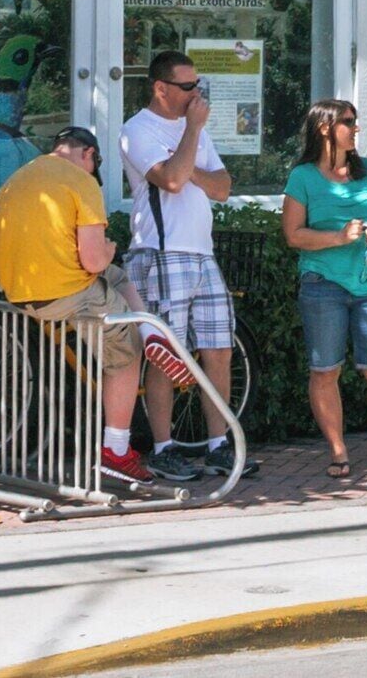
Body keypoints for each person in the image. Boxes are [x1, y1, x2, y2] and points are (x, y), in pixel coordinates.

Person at [0, 125, 153, 489]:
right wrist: (108, 250)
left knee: (116, 275)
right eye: (95, 165)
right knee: (125, 353)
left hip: (17, 291)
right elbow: (93, 261)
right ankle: (116, 451)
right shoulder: (81, 182)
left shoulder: (18, 178)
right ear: (88, 154)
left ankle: (150, 326)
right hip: (66, 293)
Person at [121, 47, 239, 477]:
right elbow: (170, 180)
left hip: (202, 252)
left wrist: (189, 165)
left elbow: (223, 187)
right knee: (166, 353)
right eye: (188, 86)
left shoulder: (196, 128)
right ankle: (163, 445)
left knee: (219, 349)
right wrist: (190, 136)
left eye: (198, 85)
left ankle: (219, 443)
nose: (196, 94)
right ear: (161, 88)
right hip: (162, 251)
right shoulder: (137, 129)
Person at [280, 99, 367, 481]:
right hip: (323, 285)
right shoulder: (302, 177)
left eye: (355, 121)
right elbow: (293, 235)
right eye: (348, 122)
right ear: (325, 128)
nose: (356, 129)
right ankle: (338, 452)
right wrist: (338, 237)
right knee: (325, 371)